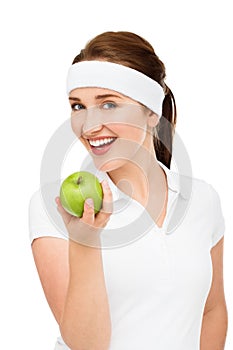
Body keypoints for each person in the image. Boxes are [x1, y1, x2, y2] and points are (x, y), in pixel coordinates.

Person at [29, 31, 228, 350]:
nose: (88, 125)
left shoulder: (203, 201)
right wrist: (86, 242)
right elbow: (85, 345)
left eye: (108, 104)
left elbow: (212, 310)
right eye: (78, 106)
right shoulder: (54, 207)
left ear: (152, 112)